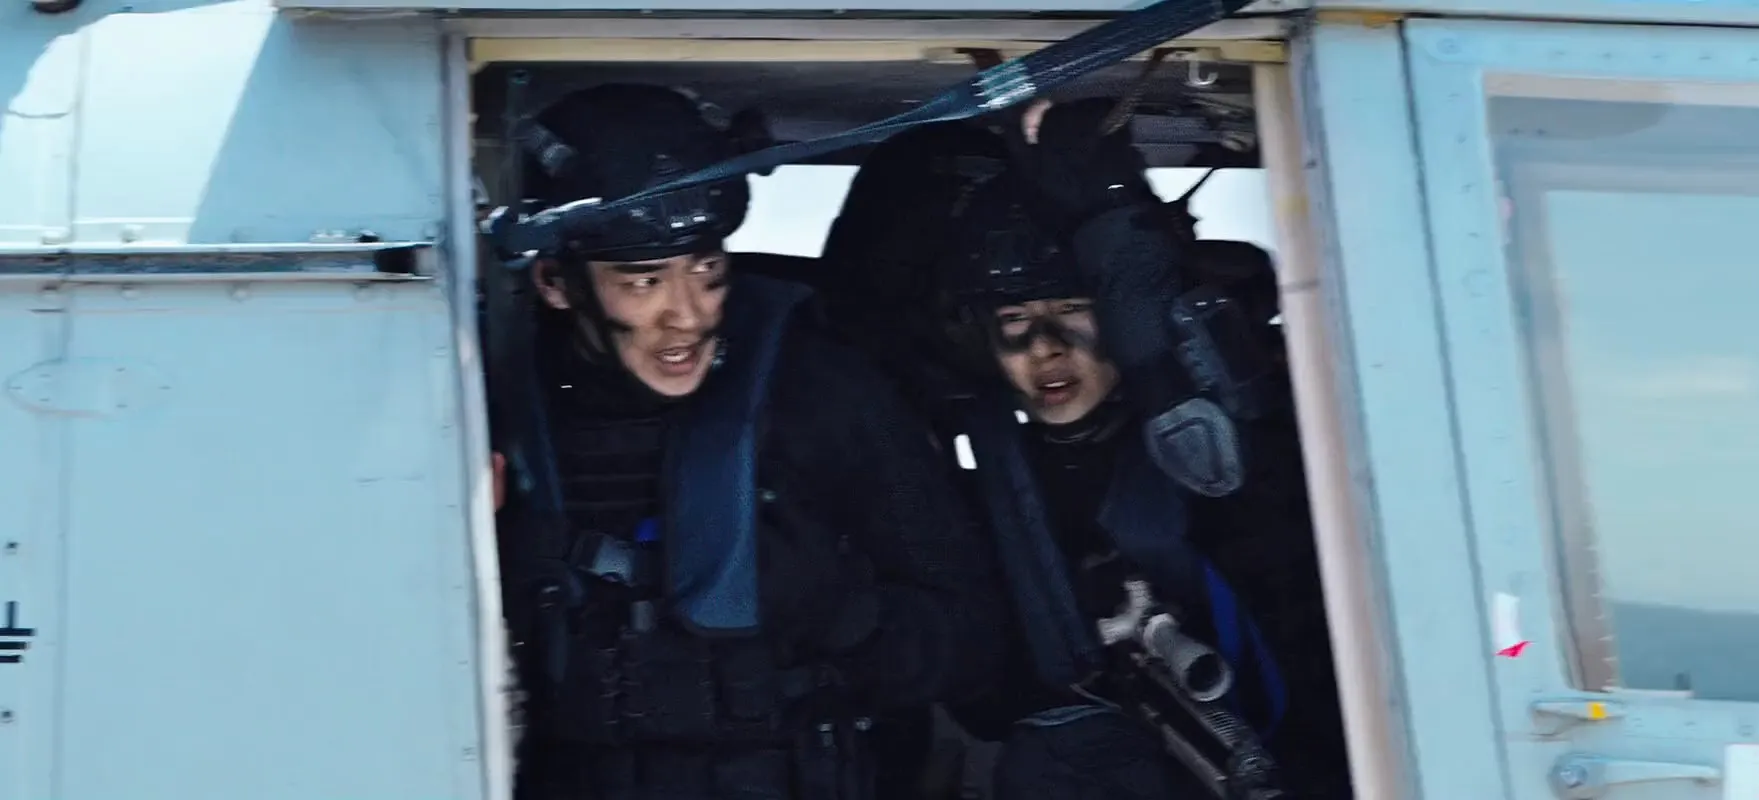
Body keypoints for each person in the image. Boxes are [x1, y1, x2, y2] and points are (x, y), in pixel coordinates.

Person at [481, 81, 1008, 800]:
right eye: (644, 281)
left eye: (707, 269)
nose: (688, 315)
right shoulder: (491, 404)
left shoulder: (820, 392)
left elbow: (975, 648)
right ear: (555, 283)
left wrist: (843, 612)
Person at [910, 99, 1353, 799]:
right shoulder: (991, 483)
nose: (1045, 347)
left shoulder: (1221, 463)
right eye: (1015, 318)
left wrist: (1109, 206)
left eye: (1072, 310)